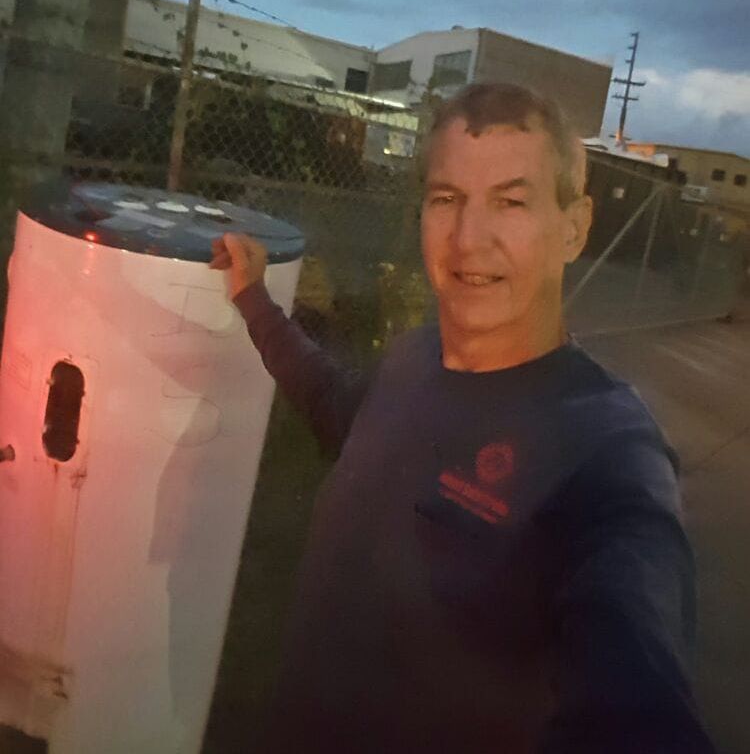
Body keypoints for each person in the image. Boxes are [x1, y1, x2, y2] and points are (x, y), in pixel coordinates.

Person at [210, 83, 716, 753]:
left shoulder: (608, 451)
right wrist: (253, 301)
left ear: (575, 226)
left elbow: (636, 684)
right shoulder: (416, 358)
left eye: (510, 201)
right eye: (447, 199)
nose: (468, 239)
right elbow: (334, 402)